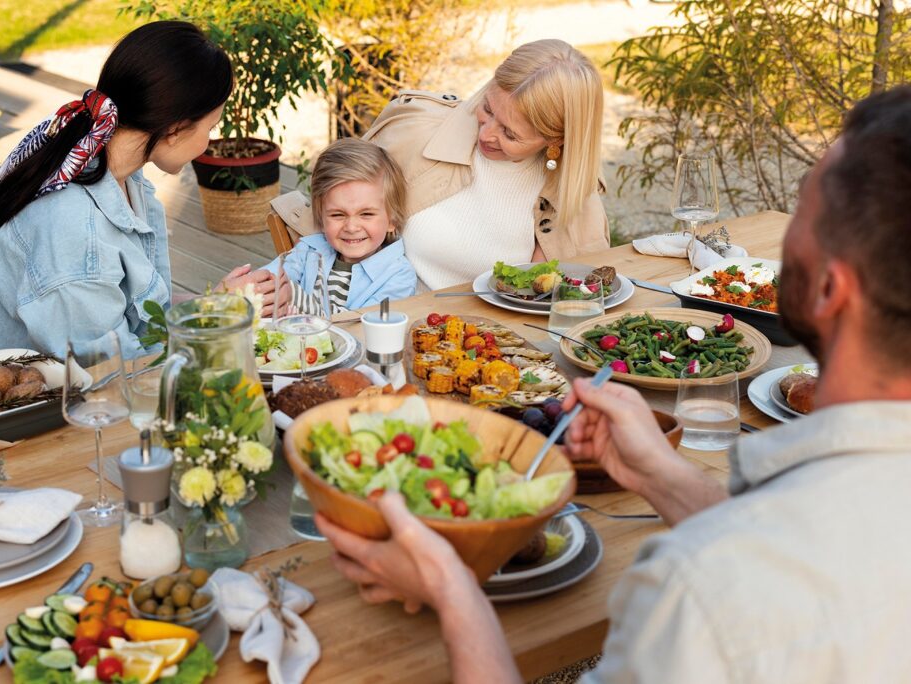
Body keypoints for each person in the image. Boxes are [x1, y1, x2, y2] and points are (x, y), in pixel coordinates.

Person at [316, 86, 911, 683]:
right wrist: (661, 473)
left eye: (800, 214)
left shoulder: (700, 590)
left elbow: (759, 562)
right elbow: (791, 546)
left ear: (832, 290)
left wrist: (451, 585)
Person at [0, 21, 277, 359]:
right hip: (66, 405)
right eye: (211, 127)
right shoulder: (75, 229)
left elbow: (141, 319)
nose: (208, 143)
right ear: (175, 129)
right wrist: (216, 324)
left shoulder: (123, 180)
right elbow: (106, 372)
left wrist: (216, 305)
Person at [272, 39, 608, 290]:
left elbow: (572, 297)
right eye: (488, 109)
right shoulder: (416, 133)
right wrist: (281, 281)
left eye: (510, 133)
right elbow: (337, 208)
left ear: (556, 140)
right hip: (387, 314)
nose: (487, 134)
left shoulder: (574, 194)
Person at [264, 138, 416, 315]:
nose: (351, 227)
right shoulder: (307, 250)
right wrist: (256, 285)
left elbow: (360, 326)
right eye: (337, 215)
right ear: (321, 217)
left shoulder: (398, 276)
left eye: (366, 214)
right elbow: (270, 278)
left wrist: (293, 297)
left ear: (392, 220)